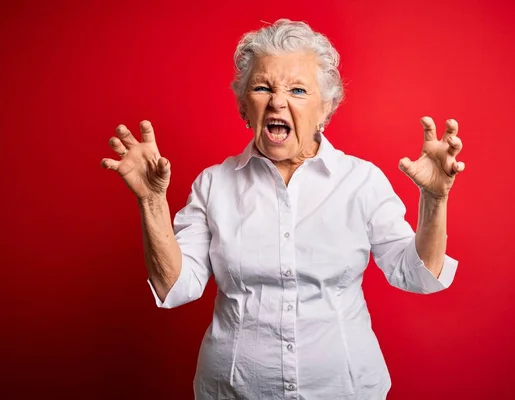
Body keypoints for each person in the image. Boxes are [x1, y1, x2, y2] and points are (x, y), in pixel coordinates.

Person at [101, 19, 465, 400]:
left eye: (297, 89)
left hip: (346, 389)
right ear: (245, 107)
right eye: (262, 88)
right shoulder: (213, 184)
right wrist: (151, 200)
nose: (277, 101)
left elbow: (417, 275)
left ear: (325, 109)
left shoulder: (361, 181)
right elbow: (175, 287)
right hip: (232, 392)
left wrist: (435, 200)